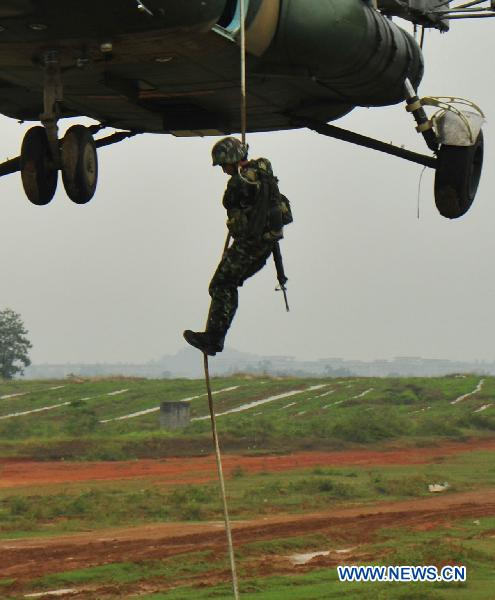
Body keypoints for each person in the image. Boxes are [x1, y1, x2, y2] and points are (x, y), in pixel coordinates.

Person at [183, 137, 291, 356]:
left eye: (224, 165)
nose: (223, 170)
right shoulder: (264, 174)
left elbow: (231, 204)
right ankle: (215, 337)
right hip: (265, 246)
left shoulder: (240, 182)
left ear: (232, 160)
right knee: (228, 282)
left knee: (221, 284)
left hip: (250, 244)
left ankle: (213, 338)